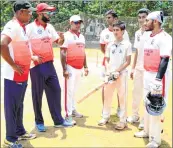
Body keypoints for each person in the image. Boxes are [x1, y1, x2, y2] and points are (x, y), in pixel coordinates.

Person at [26, 3, 73, 132]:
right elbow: (24, 44)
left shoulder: (50, 27)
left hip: (49, 65)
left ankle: (58, 120)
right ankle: (39, 122)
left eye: (51, 12)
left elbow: (58, 42)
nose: (50, 15)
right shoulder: (30, 28)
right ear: (40, 13)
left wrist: (62, 38)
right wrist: (32, 57)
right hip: (36, 66)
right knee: (38, 95)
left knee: (56, 90)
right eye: (48, 12)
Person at [1, 1, 37, 147]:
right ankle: (10, 138)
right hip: (13, 76)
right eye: (29, 12)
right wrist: (13, 65)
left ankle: (19, 131)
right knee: (12, 106)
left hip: (22, 74)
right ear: (21, 12)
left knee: (19, 105)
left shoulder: (21, 28)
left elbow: (21, 47)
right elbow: (2, 44)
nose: (31, 14)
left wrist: (31, 57)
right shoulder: (12, 26)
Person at [134, 11, 172, 148]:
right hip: (147, 73)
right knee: (147, 103)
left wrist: (157, 79)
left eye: (147, 21)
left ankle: (155, 140)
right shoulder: (147, 36)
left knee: (156, 106)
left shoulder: (165, 38)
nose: (144, 23)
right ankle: (146, 131)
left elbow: (164, 59)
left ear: (155, 21)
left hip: (158, 77)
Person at [98, 21, 132, 130]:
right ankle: (105, 117)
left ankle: (123, 121)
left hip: (121, 75)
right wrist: (109, 71)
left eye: (118, 30)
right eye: (114, 30)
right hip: (110, 75)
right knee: (107, 96)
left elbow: (128, 61)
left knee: (122, 98)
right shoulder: (110, 44)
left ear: (123, 31)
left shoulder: (127, 44)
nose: (115, 32)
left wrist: (117, 71)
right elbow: (106, 59)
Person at [60, 15, 89, 125]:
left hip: (79, 67)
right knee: (68, 91)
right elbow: (62, 52)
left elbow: (83, 52)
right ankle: (67, 115)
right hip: (70, 67)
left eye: (79, 22)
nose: (78, 24)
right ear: (70, 23)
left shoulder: (82, 36)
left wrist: (85, 66)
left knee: (74, 91)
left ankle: (72, 109)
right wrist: (64, 69)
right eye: (76, 22)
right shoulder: (66, 36)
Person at [127, 8, 150, 130]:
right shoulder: (137, 33)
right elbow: (137, 50)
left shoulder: (152, 33)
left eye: (144, 17)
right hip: (138, 68)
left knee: (146, 95)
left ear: (148, 18)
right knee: (135, 93)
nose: (141, 20)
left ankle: (144, 120)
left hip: (148, 70)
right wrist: (133, 68)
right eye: (140, 17)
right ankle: (134, 116)